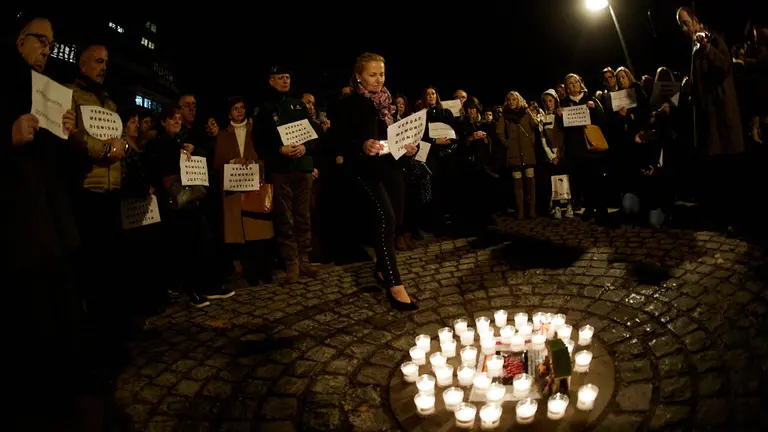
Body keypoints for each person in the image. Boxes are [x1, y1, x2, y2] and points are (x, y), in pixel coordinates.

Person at [5, 17, 85, 430]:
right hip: (20, 230)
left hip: (54, 224)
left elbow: (62, 166)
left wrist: (67, 134)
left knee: (62, 315)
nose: (48, 49)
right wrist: (9, 136)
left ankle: (64, 395)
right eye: (42, 40)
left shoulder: (50, 91)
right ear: (20, 42)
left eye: (53, 43)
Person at [334, 52, 418, 311]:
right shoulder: (348, 104)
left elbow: (392, 138)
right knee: (386, 220)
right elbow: (337, 140)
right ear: (358, 75)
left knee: (397, 219)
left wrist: (407, 146)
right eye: (372, 74)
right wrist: (361, 144)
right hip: (365, 171)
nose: (378, 79)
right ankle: (394, 284)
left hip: (390, 168)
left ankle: (382, 269)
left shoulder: (387, 103)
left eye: (381, 73)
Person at [145, 106, 235, 307]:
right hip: (174, 202)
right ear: (163, 122)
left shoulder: (185, 140)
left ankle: (207, 285)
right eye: (172, 119)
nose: (177, 121)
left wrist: (193, 150)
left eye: (178, 118)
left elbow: (203, 159)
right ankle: (193, 289)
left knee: (201, 242)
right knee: (183, 247)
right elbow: (157, 168)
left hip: (192, 200)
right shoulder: (158, 143)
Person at [677, 7, 745, 231]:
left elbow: (725, 66)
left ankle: (734, 219)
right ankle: (720, 217)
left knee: (728, 169)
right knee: (715, 170)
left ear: (696, 20)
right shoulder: (694, 47)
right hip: (707, 118)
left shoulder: (713, 39)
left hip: (722, 117)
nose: (685, 28)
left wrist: (706, 48)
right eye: (682, 26)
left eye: (687, 23)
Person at [254, 64, 320, 283]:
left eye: (288, 78)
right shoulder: (263, 109)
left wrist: (305, 147)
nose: (285, 81)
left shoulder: (298, 105)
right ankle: (291, 263)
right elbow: (259, 142)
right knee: (285, 219)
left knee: (304, 216)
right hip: (280, 170)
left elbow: (313, 135)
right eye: (280, 77)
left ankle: (305, 260)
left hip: (302, 169)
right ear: (271, 81)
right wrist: (278, 150)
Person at [214, 97, 274, 285]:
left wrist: (254, 163)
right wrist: (232, 163)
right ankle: (250, 272)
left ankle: (263, 270)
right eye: (235, 108)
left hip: (254, 186)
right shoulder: (223, 134)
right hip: (234, 188)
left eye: (241, 108)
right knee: (240, 234)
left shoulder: (254, 131)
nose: (239, 111)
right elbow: (217, 162)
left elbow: (265, 155)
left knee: (258, 230)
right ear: (229, 113)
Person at [560, 73, 608, 222]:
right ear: (567, 88)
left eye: (575, 82)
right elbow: (562, 128)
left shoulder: (590, 99)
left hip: (591, 145)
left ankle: (601, 208)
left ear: (581, 83)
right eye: (570, 83)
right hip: (576, 147)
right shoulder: (564, 103)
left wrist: (594, 109)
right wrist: (559, 115)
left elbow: (602, 118)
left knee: (596, 178)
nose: (573, 85)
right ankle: (588, 207)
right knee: (583, 179)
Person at [496, 91, 539, 219]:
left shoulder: (526, 113)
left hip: (527, 152)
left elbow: (534, 127)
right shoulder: (505, 116)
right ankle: (520, 211)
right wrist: (507, 143)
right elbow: (500, 132)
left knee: (530, 181)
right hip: (513, 153)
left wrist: (531, 141)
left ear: (518, 100)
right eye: (509, 100)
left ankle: (531, 210)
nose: (511, 102)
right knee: (517, 184)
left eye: (513, 99)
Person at [421, 86, 458, 233]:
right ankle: (435, 224)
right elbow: (421, 137)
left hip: (447, 156)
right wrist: (435, 142)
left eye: (433, 93)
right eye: (428, 94)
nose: (431, 96)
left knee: (448, 187)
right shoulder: (421, 115)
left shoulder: (446, 112)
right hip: (432, 156)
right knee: (434, 190)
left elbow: (455, 132)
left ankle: (450, 221)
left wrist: (450, 140)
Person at [539, 89, 571, 218]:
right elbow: (543, 140)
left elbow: (566, 136)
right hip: (552, 155)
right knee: (554, 180)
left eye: (550, 101)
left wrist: (561, 154)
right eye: (545, 102)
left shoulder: (562, 114)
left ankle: (569, 205)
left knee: (566, 179)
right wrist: (551, 156)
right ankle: (557, 206)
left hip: (563, 153)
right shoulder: (542, 118)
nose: (548, 104)